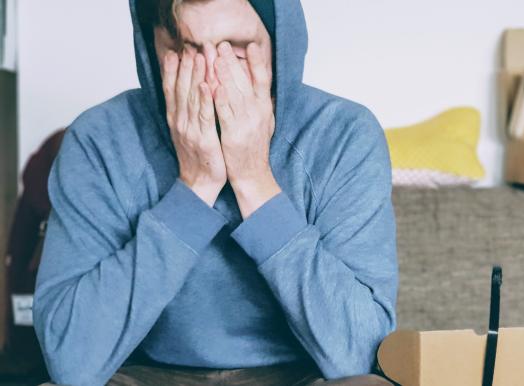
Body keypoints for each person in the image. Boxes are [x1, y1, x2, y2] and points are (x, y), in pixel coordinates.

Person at [32, 0, 398, 385]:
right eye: (186, 50)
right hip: (146, 375)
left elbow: (360, 353)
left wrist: (254, 180)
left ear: (279, 43)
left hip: (300, 377)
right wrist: (195, 187)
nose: (210, 79)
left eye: (236, 50)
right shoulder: (99, 138)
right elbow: (71, 361)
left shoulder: (344, 134)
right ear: (150, 47)